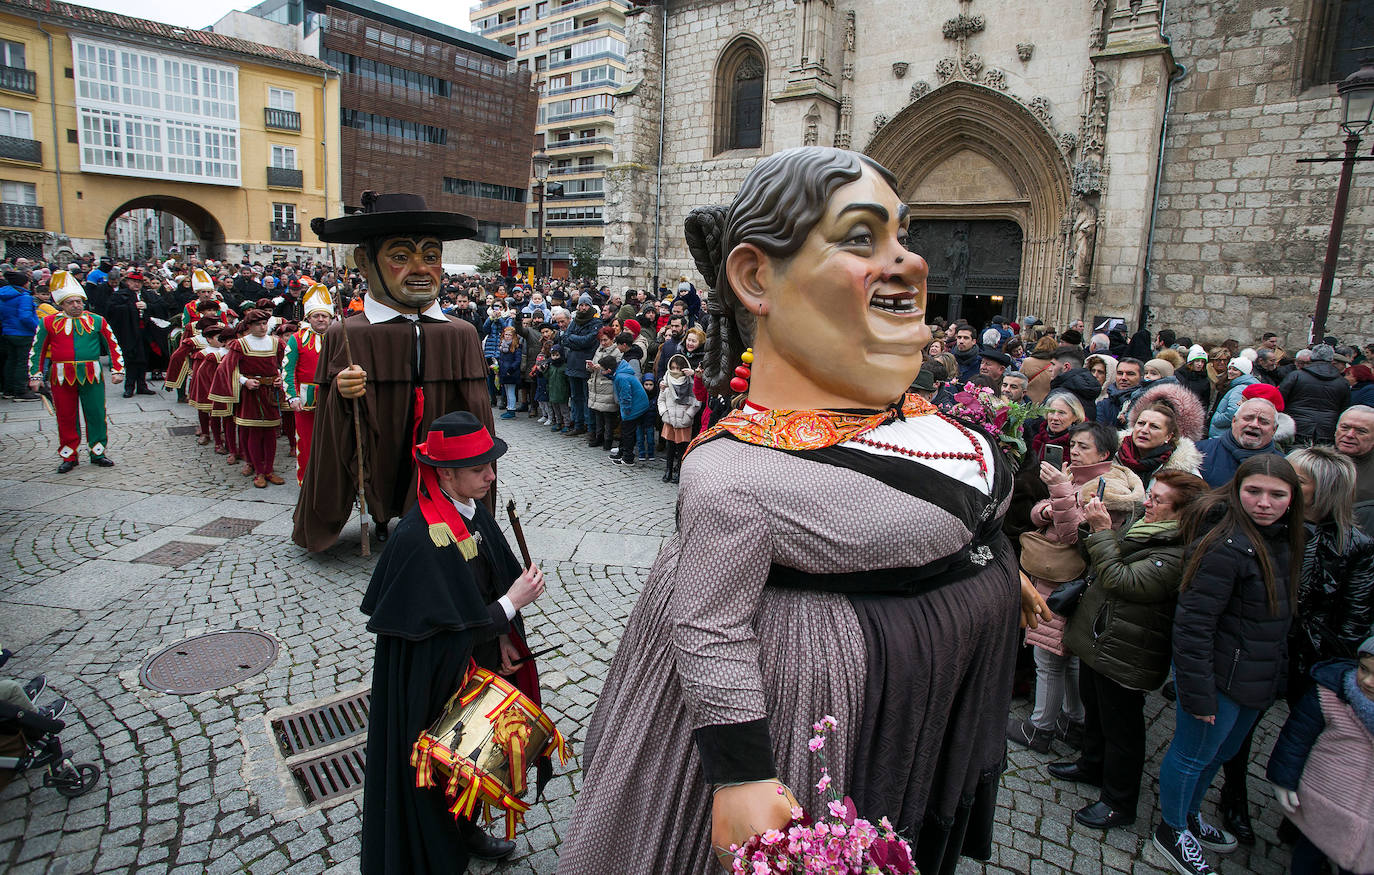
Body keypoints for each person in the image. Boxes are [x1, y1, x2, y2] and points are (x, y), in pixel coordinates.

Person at [560, 147, 1021, 875]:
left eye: (903, 236)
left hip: (923, 732)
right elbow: (708, 626)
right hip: (823, 740)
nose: (909, 263)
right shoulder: (732, 476)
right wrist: (741, 773)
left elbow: (970, 517)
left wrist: (992, 566)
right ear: (755, 277)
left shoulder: (932, 425)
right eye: (863, 239)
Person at [359, 411, 548, 873]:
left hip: (472, 663)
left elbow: (479, 589)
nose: (490, 475)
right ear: (445, 472)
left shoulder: (472, 511)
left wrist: (504, 635)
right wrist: (510, 604)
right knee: (436, 769)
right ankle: (440, 847)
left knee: (466, 761)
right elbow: (441, 631)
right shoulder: (418, 538)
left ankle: (464, 830)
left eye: (491, 464)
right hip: (432, 680)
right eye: (478, 468)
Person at [293, 192, 494, 551]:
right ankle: (382, 517)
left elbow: (477, 413)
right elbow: (330, 426)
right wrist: (342, 389)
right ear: (365, 262)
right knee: (382, 466)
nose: (420, 269)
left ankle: (445, 513)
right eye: (400, 257)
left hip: (437, 429)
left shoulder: (460, 333)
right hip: (380, 426)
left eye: (431, 257)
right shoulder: (347, 333)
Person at [1152, 455, 1304, 875]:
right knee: (1192, 754)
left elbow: (1278, 621)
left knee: (1220, 754)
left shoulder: (1283, 541)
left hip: (1252, 677)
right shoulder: (1225, 545)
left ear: (1292, 500)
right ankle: (1173, 827)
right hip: (1218, 677)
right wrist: (1197, 689)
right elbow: (1193, 625)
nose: (1264, 502)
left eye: (1277, 494)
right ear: (1237, 491)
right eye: (1254, 491)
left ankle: (1192, 815)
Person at [1055, 470, 1210, 830]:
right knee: (1095, 708)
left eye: (1157, 499)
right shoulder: (1145, 527)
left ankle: (1119, 802)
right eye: (1150, 494)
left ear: (1182, 512)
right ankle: (1092, 765)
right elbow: (1099, 559)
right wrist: (1094, 530)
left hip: (1129, 649)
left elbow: (1123, 580)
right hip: (1104, 637)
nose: (1148, 502)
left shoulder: (1177, 551)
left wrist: (1101, 532)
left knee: (1121, 727)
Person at [1008, 421, 1142, 754]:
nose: (1076, 451)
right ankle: (1072, 720)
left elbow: (1073, 536)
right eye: (1075, 445)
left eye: (1084, 446)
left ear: (1105, 453)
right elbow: (1042, 515)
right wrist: (1049, 506)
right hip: (1055, 574)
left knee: (1049, 656)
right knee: (1061, 656)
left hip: (1066, 578)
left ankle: (1040, 727)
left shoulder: (1105, 487)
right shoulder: (1078, 477)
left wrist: (1060, 492)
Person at [1265, 636, 1374, 875]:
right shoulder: (1331, 692)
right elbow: (1297, 737)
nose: (1367, 681)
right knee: (1307, 856)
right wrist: (1283, 778)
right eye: (1363, 669)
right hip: (1325, 802)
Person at [28, 272, 125, 472]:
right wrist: (35, 374)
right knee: (65, 415)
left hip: (92, 373)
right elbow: (37, 349)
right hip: (61, 376)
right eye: (71, 302)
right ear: (62, 304)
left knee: (97, 413)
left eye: (79, 301)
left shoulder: (97, 320)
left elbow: (112, 345)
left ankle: (98, 452)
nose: (76, 305)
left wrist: (118, 369)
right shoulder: (48, 322)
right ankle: (69, 455)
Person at [209, 309, 285, 489]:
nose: (262, 327)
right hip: (251, 394)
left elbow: (282, 364)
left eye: (265, 323)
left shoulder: (276, 343)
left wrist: (280, 376)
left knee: (270, 434)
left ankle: (269, 470)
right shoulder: (239, 344)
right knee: (255, 432)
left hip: (269, 393)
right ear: (249, 326)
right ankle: (258, 470)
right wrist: (244, 381)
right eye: (258, 324)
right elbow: (228, 368)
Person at [283, 285, 333, 484]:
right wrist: (292, 396)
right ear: (308, 318)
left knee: (331, 441)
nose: (321, 319)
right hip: (305, 402)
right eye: (316, 316)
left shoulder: (338, 337)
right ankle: (306, 481)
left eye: (324, 316)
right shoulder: (296, 339)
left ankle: (328, 480)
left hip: (332, 397)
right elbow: (288, 369)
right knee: (306, 441)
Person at [1195, 398, 1284, 488]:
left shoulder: (1283, 465)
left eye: (1264, 422)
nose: (1254, 425)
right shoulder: (1197, 453)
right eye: (1248, 418)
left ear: (1274, 429)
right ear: (1234, 421)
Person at [1116, 394, 1204, 483]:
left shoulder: (1184, 472)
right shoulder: (1112, 454)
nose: (1144, 430)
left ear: (1169, 436)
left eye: (1154, 426)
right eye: (1141, 423)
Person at [1281, 344, 1349, 446]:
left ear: (1312, 357)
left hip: (1297, 425)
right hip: (1327, 428)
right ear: (1331, 359)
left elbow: (1281, 398)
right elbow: (1344, 408)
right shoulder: (1342, 382)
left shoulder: (1296, 375)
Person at [105, 270, 154, 397]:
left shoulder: (147, 295)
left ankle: (142, 385)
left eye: (139, 282)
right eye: (134, 282)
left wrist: (147, 306)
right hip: (129, 332)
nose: (136, 285)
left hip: (145, 331)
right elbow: (112, 310)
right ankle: (129, 386)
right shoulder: (121, 295)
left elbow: (161, 305)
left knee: (143, 359)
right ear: (127, 282)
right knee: (132, 359)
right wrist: (132, 307)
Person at [657, 353, 701, 483]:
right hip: (669, 420)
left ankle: (680, 472)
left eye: (678, 368)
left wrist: (688, 416)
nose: (675, 371)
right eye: (673, 368)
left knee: (682, 449)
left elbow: (696, 402)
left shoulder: (690, 382)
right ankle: (668, 470)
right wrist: (664, 413)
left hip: (684, 421)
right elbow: (661, 400)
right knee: (670, 448)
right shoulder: (666, 381)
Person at [0, 268, 38, 400]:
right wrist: (37, 328)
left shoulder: (3, 295)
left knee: (11, 361)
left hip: (7, 332)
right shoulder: (24, 297)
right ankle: (21, 391)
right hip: (23, 333)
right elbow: (25, 317)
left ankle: (8, 389)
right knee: (23, 362)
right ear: (24, 283)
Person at [1097, 357, 1144, 425]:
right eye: (1120, 373)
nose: (1123, 378)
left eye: (1130, 374)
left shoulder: (1147, 403)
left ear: (1141, 377)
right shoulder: (1104, 405)